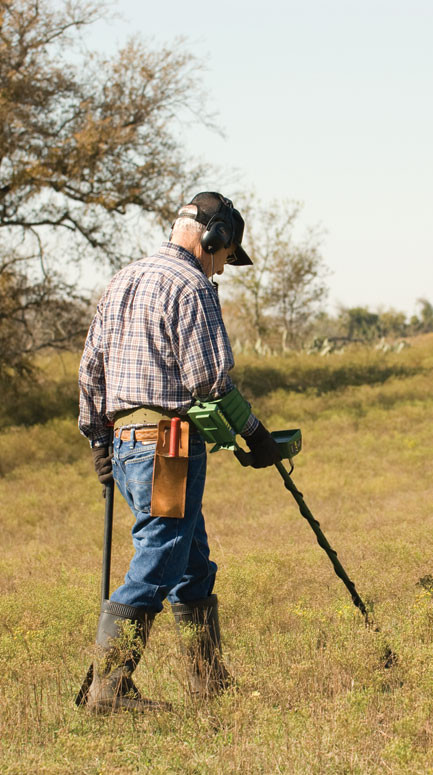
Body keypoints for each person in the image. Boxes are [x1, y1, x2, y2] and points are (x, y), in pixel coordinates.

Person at [78, 192, 281, 713]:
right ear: (210, 237)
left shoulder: (121, 280)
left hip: (127, 443)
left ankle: (208, 682)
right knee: (162, 555)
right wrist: (256, 435)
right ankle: (111, 690)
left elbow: (90, 371)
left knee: (189, 560)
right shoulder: (191, 285)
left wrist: (100, 441)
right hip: (167, 447)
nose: (220, 269)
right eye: (224, 255)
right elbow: (211, 383)